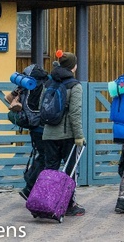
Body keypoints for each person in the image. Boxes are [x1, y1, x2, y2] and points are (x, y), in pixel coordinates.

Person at [42, 51, 85, 216]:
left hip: (48, 134)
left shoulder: (49, 82)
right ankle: (69, 205)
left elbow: (42, 107)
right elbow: (75, 113)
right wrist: (79, 136)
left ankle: (47, 202)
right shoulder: (75, 86)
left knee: (50, 171)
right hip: (67, 136)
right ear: (73, 66)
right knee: (70, 172)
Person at [6, 65, 50, 200]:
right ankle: (30, 186)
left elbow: (8, 98)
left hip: (32, 126)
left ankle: (31, 183)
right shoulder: (45, 85)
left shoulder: (25, 85)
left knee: (41, 156)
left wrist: (17, 95)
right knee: (44, 158)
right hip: (42, 127)